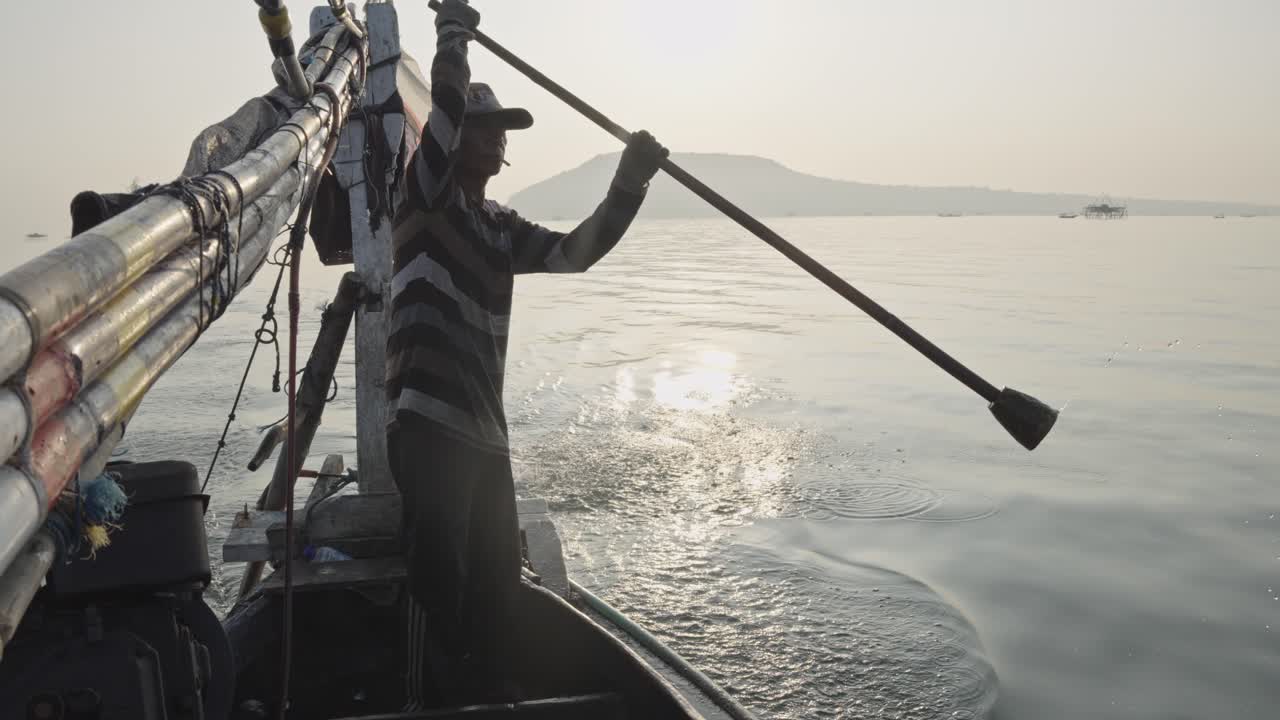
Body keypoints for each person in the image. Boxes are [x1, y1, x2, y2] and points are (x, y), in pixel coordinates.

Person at [385, 0, 667, 707]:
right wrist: (452, 36)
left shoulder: (499, 227)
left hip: (485, 435)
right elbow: (441, 114)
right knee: (436, 579)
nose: (493, 140)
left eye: (501, 132)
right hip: (427, 423)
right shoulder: (423, 198)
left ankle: (486, 690)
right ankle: (430, 698)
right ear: (456, 140)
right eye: (483, 128)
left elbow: (576, 254)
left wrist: (629, 183)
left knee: (494, 585)